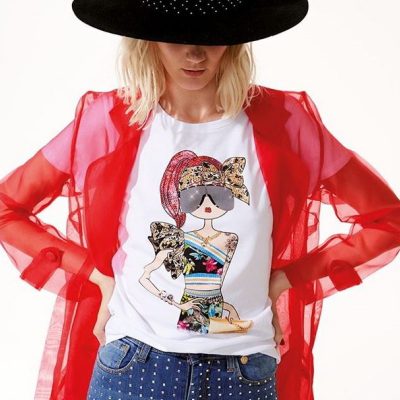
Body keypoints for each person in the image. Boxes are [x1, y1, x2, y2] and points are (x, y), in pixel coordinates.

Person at [0, 0, 399, 399]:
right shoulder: (110, 121)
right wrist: (97, 275)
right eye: (176, 38)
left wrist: (286, 279)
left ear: (234, 40)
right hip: (135, 365)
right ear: (147, 39)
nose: (194, 54)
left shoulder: (286, 125)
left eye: (211, 37)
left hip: (243, 374)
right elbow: (7, 208)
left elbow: (387, 220)